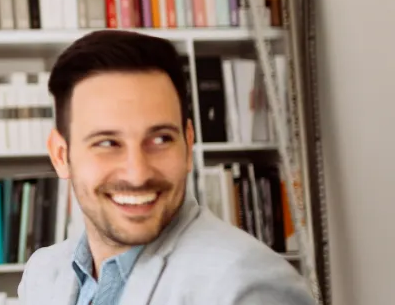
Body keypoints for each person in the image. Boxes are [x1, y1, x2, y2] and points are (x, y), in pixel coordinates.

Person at [17, 30, 317, 305]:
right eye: (107, 143)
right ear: (60, 155)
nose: (137, 173)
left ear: (188, 144)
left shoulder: (246, 287)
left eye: (160, 139)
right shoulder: (43, 274)